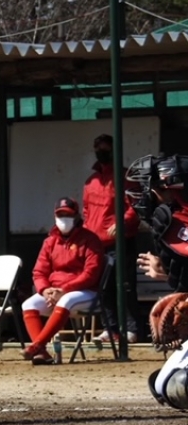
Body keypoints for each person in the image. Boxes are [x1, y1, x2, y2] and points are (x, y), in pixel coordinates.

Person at [126, 154, 188, 408]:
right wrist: (167, 274)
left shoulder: (176, 221)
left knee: (181, 385)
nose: (146, 195)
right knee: (164, 387)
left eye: (153, 188)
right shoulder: (177, 221)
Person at [21, 197, 105, 365]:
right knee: (28, 304)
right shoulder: (50, 241)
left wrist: (65, 290)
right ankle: (42, 353)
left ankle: (36, 346)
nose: (63, 219)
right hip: (54, 292)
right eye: (60, 215)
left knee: (66, 300)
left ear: (76, 216)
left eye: (68, 215)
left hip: (86, 292)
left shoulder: (90, 239)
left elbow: (91, 274)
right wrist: (45, 290)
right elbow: (39, 272)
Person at [82, 134, 141, 344]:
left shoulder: (126, 177)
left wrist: (122, 223)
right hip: (97, 243)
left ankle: (132, 329)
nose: (101, 153)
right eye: (98, 149)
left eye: (106, 149)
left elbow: (136, 206)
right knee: (104, 287)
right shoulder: (91, 182)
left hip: (120, 241)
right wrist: (86, 233)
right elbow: (87, 211)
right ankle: (111, 329)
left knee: (124, 285)